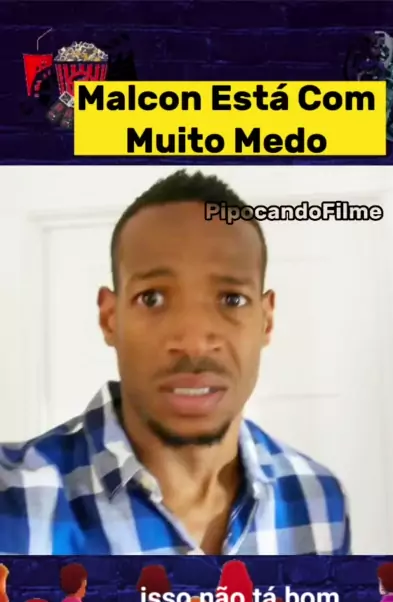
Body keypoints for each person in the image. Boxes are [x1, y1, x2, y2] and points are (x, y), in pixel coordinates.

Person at [0, 171, 350, 557]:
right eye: (152, 298)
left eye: (232, 299)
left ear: (266, 320)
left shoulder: (319, 501)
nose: (194, 343)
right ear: (110, 318)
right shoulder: (14, 501)